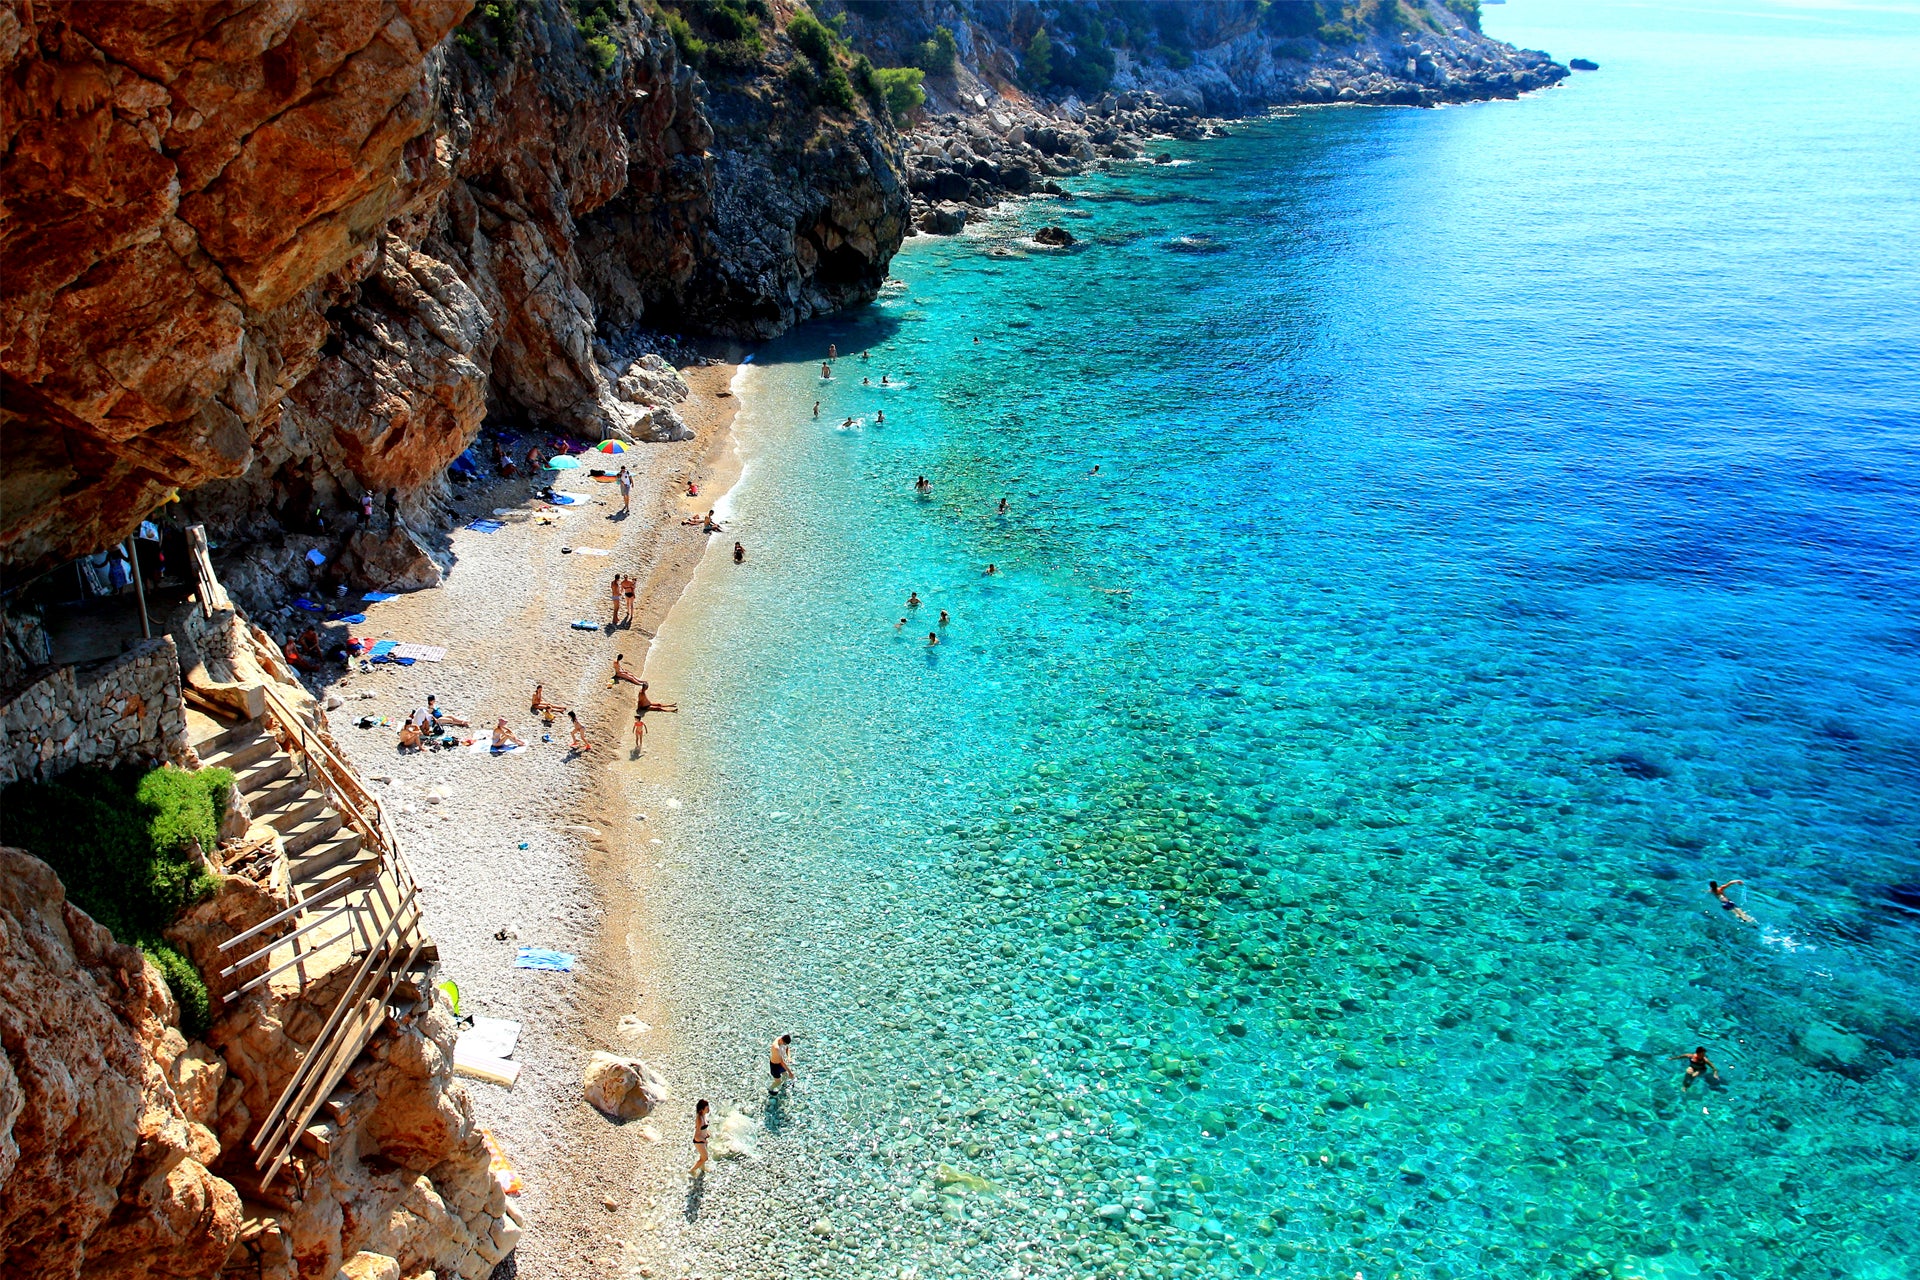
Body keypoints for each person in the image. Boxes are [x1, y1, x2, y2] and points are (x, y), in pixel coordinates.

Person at [690, 1100, 710, 1177]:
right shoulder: (699, 1119)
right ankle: (692, 1170)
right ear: (702, 1109)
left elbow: (703, 1128)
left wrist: (707, 1133)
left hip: (704, 1139)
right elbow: (696, 1136)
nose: (708, 1109)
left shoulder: (704, 1115)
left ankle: (702, 1168)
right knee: (705, 1158)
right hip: (699, 1141)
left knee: (702, 1156)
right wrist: (703, 1140)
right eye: (707, 1108)